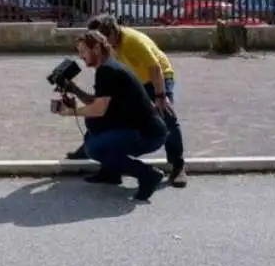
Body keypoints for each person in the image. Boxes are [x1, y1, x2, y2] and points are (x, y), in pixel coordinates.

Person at [66, 14, 188, 188]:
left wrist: (160, 96)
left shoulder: (133, 41)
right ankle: (109, 169)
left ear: (113, 32)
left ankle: (178, 166)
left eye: (101, 39)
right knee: (109, 116)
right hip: (135, 81)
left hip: (157, 78)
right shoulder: (105, 51)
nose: (97, 45)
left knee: (165, 117)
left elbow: (155, 68)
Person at [54, 30, 168, 201]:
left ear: (97, 48)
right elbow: (99, 101)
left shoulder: (107, 70)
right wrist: (75, 90)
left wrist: (70, 112)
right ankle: (111, 173)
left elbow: (98, 109)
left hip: (147, 134)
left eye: (83, 51)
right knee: (94, 132)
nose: (81, 56)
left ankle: (147, 175)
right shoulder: (108, 67)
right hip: (140, 129)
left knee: (93, 147)